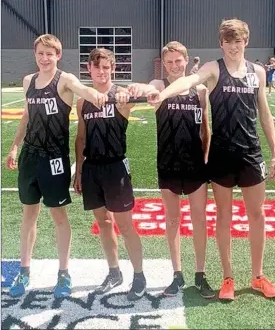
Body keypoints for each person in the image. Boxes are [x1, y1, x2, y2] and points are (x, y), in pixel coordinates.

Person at [147, 19, 275, 301]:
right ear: (221, 43)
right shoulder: (213, 68)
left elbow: (265, 115)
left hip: (250, 154)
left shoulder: (257, 72)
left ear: (246, 41)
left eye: (238, 40)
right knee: (224, 218)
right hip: (221, 156)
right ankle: (227, 277)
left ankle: (257, 276)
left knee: (257, 215)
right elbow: (187, 80)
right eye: (228, 41)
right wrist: (163, 93)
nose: (234, 46)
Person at [6, 34, 107, 299]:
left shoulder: (64, 79)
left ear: (58, 55)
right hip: (30, 156)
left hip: (54, 159)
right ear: (35, 53)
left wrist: (97, 94)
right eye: (40, 53)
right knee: (29, 216)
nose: (44, 58)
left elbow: (85, 90)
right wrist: (15, 146)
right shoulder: (28, 81)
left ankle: (63, 273)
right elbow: (26, 117)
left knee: (59, 217)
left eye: (50, 54)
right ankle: (24, 270)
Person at [128, 41, 215, 298]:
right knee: (173, 220)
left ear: (186, 61)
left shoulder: (199, 90)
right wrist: (138, 88)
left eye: (178, 61)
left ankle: (200, 274)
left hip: (195, 166)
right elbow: (148, 88)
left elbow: (205, 128)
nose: (174, 66)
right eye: (169, 62)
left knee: (199, 220)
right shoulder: (160, 86)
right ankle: (177, 274)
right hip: (167, 163)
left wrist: (206, 157)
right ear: (163, 64)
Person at [73, 48, 146, 301]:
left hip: (116, 167)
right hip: (92, 168)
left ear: (112, 69)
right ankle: (114, 272)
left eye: (106, 67)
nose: (102, 72)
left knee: (125, 225)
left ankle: (139, 275)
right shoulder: (82, 100)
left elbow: (150, 92)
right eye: (97, 68)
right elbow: (80, 137)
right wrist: (79, 169)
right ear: (89, 69)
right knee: (103, 223)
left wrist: (132, 90)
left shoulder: (121, 96)